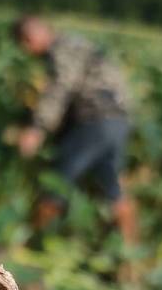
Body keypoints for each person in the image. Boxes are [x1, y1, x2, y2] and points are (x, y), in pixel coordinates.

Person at [12, 15, 138, 242]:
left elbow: (62, 87)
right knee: (112, 186)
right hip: (119, 120)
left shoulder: (61, 50)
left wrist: (38, 127)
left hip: (94, 121)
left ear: (30, 38)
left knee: (57, 181)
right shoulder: (80, 44)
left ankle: (32, 244)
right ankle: (130, 257)